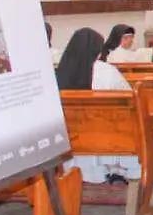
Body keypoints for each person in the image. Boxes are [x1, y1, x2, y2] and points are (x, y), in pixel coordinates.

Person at [55, 28, 140, 184]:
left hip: (70, 142)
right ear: (97, 52)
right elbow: (130, 101)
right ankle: (115, 170)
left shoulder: (59, 74)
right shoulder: (107, 71)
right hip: (106, 139)